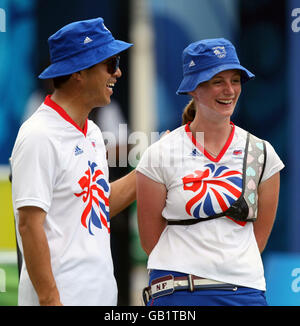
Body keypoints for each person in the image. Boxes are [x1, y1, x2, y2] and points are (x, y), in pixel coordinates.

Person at [136, 38, 284, 306]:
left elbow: (256, 240)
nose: (229, 90)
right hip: (178, 292)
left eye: (235, 80)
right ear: (193, 89)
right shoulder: (160, 153)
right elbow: (150, 241)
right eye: (217, 81)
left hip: (244, 293)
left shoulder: (263, 153)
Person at [11, 17, 135, 306]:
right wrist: (51, 300)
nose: (118, 72)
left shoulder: (91, 131)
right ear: (79, 72)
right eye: (111, 62)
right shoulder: (38, 135)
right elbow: (29, 226)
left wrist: (152, 167)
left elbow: (97, 207)